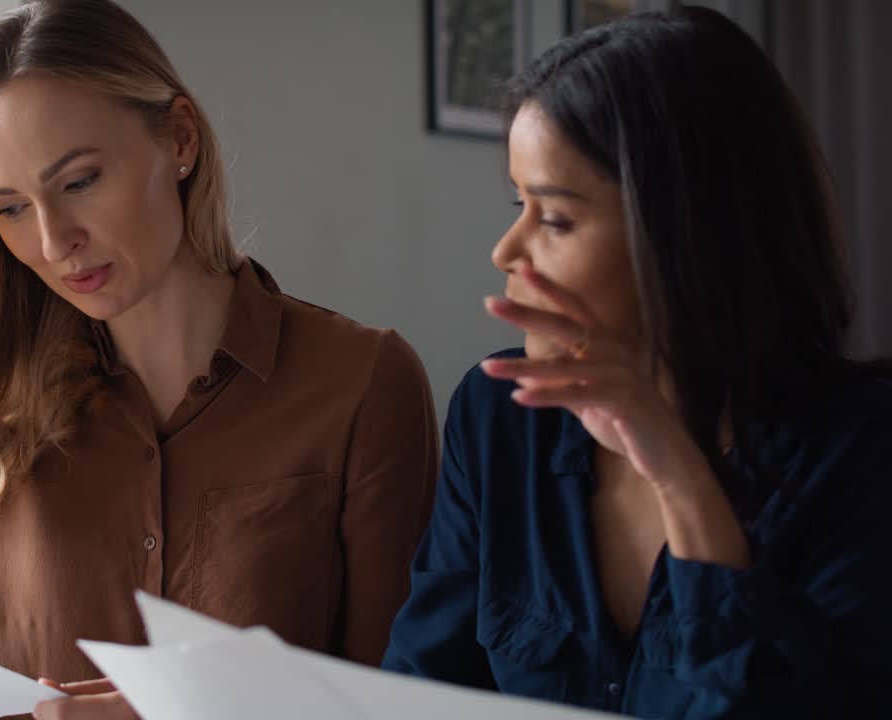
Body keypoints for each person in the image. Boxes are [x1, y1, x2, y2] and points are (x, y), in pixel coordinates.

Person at [0, 1, 436, 718]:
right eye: (9, 209)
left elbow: (398, 702)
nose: (55, 241)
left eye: (79, 181)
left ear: (179, 139)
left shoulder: (362, 384)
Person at [382, 6, 892, 718]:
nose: (507, 250)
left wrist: (682, 479)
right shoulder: (500, 416)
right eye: (516, 202)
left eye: (554, 218)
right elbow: (418, 691)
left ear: (686, 234)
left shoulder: (864, 450)